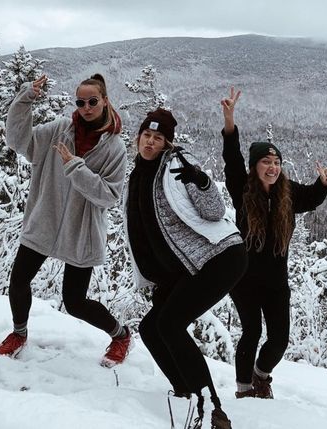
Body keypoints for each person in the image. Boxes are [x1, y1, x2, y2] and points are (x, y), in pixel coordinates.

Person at [0, 73, 132, 367]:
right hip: (45, 220)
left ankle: (121, 335)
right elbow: (19, 141)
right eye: (80, 102)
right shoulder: (60, 130)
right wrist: (24, 99)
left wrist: (75, 168)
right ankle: (19, 334)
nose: (85, 107)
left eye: (92, 101)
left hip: (80, 231)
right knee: (18, 280)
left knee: (75, 302)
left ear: (105, 101)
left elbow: (109, 196)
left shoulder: (114, 148)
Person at [128, 108, 245, 429]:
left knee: (170, 323)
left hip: (221, 256)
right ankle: (185, 393)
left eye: (158, 137)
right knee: (152, 328)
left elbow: (215, 210)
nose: (150, 142)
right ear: (138, 137)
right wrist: (158, 281)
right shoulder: (138, 175)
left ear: (167, 142)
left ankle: (211, 410)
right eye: (146, 135)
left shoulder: (177, 165)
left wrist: (204, 182)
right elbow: (145, 233)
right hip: (187, 268)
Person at [219, 87, 327, 399]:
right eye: (266, 162)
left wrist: (323, 184)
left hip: (275, 280)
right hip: (242, 277)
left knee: (280, 338)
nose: (272, 167)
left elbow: (310, 198)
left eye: (277, 162)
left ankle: (261, 375)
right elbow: (232, 158)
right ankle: (244, 391)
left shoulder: (287, 192)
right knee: (252, 332)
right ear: (255, 166)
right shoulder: (242, 189)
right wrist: (230, 122)